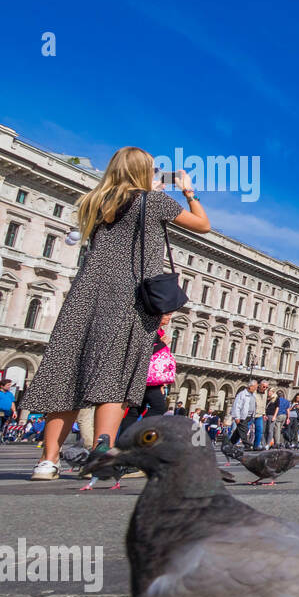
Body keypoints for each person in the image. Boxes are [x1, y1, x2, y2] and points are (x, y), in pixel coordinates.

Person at [25, 149, 210, 479]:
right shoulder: (153, 202)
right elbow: (203, 225)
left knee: (68, 373)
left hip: (85, 293)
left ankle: (48, 460)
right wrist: (188, 191)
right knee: (115, 376)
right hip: (130, 298)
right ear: (143, 172)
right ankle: (102, 457)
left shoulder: (95, 200)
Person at [123, 312, 177, 428]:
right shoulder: (152, 332)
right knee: (159, 407)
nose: (169, 317)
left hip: (148, 376)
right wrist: (163, 344)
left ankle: (126, 439)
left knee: (135, 409)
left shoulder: (158, 332)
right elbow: (146, 352)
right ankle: (137, 433)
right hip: (147, 376)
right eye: (167, 314)